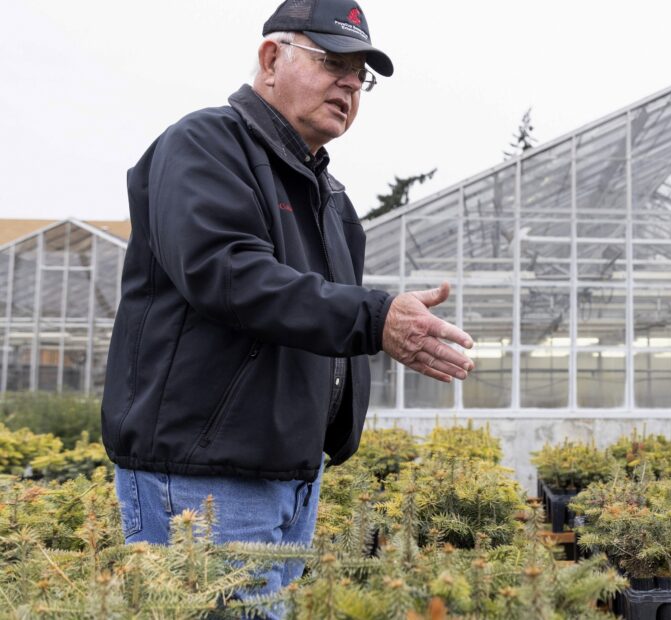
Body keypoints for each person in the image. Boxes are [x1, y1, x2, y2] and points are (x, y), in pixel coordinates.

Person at [99, 0, 474, 603]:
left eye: (361, 75)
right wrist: (375, 318)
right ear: (272, 58)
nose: (350, 83)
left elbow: (313, 315)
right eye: (333, 62)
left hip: (289, 477)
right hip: (206, 480)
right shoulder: (204, 145)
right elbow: (228, 274)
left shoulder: (328, 196)